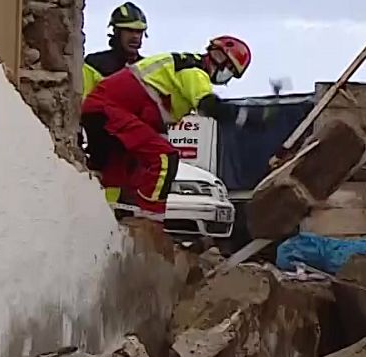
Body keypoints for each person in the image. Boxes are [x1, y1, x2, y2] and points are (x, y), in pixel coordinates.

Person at [81, 36, 252, 220]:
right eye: (230, 69)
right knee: (165, 158)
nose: (227, 75)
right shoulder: (194, 71)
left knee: (122, 174)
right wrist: (241, 116)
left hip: (105, 111)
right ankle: (150, 217)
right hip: (108, 109)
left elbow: (155, 116)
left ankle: (102, 216)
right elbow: (209, 105)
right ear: (218, 57)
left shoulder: (180, 68)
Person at [82, 2, 149, 97]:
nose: (135, 36)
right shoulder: (95, 64)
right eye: (129, 30)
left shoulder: (147, 67)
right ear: (116, 31)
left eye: (139, 32)